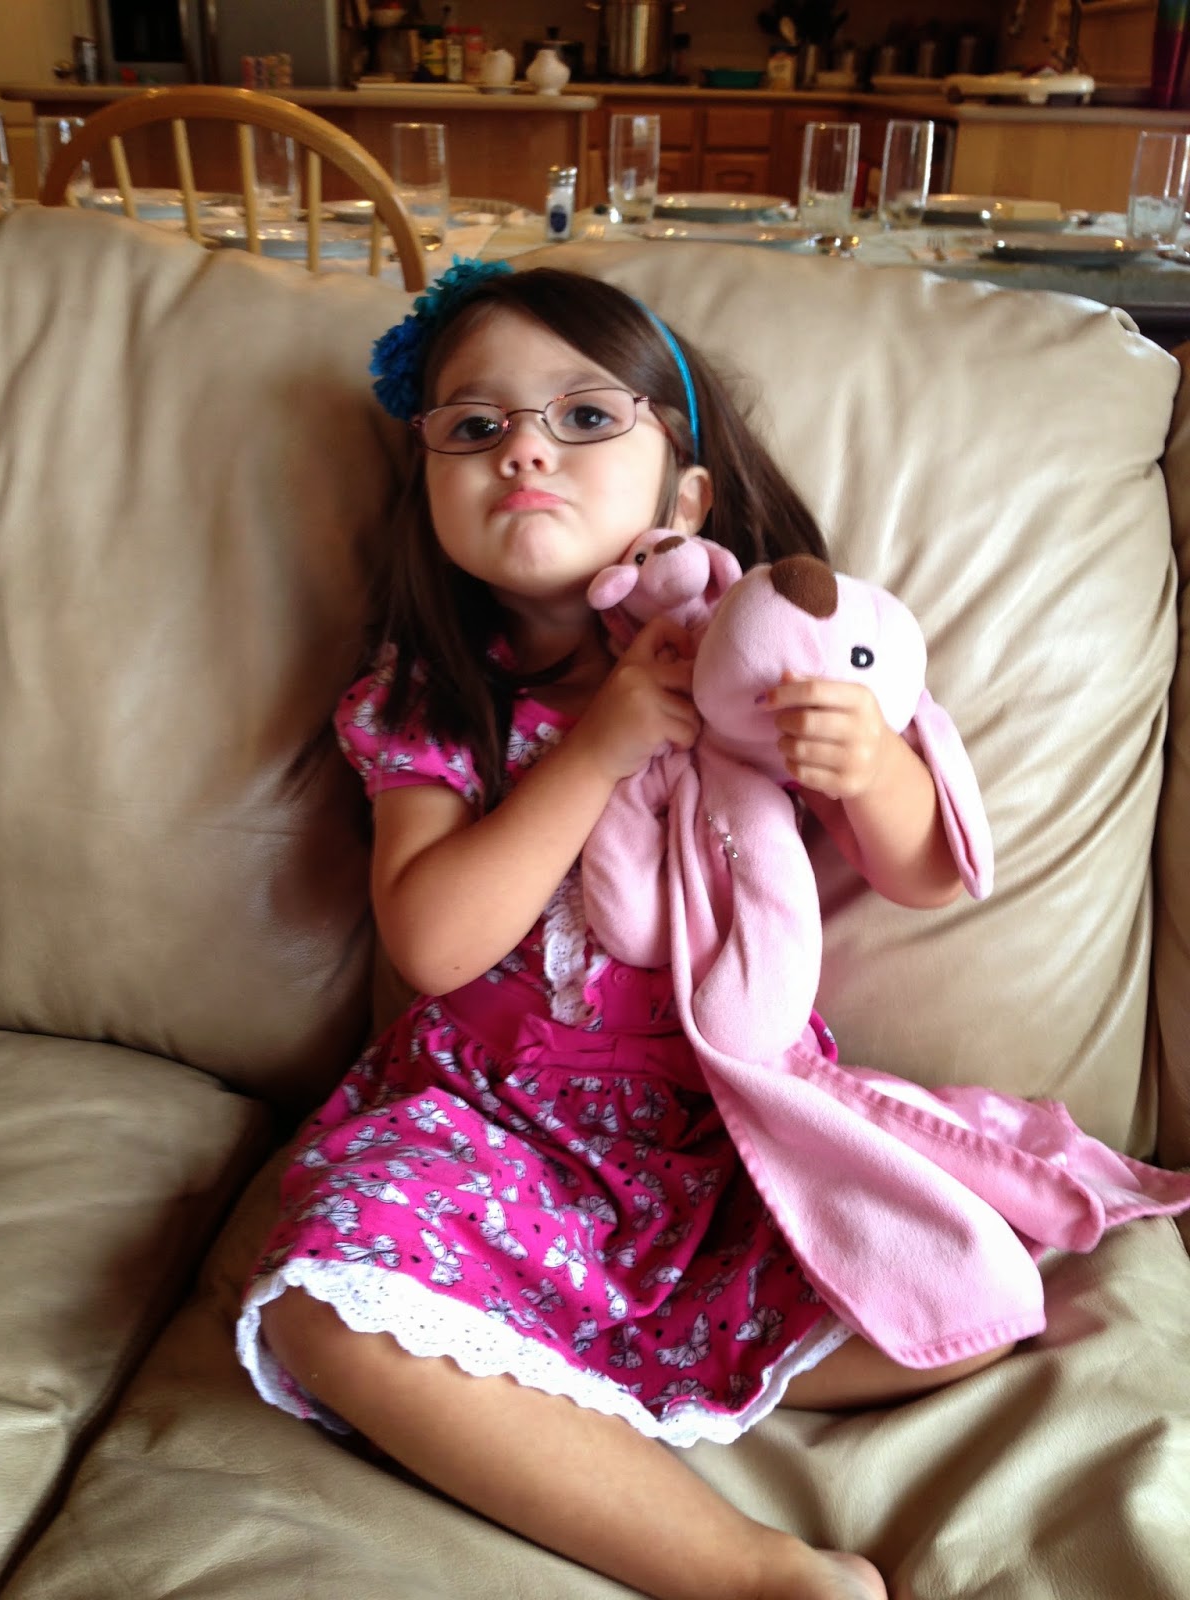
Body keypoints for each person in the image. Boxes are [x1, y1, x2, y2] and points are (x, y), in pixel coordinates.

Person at [236, 261, 1007, 1600]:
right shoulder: (427, 699)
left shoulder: (752, 662)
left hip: (717, 1136)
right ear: (427, 485)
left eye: (586, 417)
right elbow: (433, 946)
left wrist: (873, 766)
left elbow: (928, 873)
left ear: (686, 498)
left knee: (966, 1299)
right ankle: (755, 1573)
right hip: (489, 1135)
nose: (525, 449)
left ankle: (576, 1364)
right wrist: (595, 748)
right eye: (475, 425)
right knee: (317, 1307)